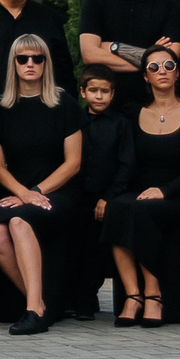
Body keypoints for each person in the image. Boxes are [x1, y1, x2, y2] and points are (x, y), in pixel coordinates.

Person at [101, 46, 180, 327]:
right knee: (117, 208)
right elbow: (126, 163)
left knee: (138, 209)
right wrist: (109, 195)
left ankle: (153, 294)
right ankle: (133, 294)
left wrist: (167, 190)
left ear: (177, 73)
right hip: (142, 192)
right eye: (153, 67)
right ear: (145, 77)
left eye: (168, 66)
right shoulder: (132, 112)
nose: (162, 71)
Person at [0, 33, 82, 335]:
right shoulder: (0, 108)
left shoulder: (63, 102)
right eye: (22, 58)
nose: (30, 64)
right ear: (12, 63)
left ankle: (34, 310)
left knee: (17, 222)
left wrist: (37, 192)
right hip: (19, 191)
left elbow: (73, 163)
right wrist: (24, 193)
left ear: (45, 63)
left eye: (37, 58)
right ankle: (40, 301)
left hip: (57, 192)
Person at [67, 70, 132, 320]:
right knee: (76, 248)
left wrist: (109, 196)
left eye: (105, 91)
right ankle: (75, 299)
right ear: (83, 92)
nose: (99, 96)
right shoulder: (75, 123)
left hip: (106, 198)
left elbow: (127, 164)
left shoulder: (121, 124)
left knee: (96, 252)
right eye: (93, 90)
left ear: (113, 94)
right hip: (77, 197)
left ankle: (86, 299)